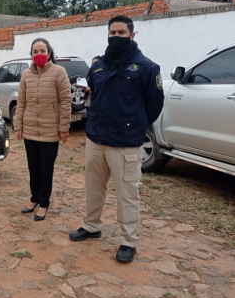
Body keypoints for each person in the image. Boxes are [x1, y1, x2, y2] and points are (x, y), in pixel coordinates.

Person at [69, 15, 164, 262]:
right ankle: (91, 226)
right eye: (113, 33)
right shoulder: (98, 66)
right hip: (96, 139)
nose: (116, 37)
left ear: (132, 36)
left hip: (125, 143)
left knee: (127, 194)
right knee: (93, 187)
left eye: (121, 33)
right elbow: (94, 96)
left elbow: (154, 106)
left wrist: (134, 127)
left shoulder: (147, 67)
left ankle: (128, 241)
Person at [14, 38, 72, 221]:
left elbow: (65, 102)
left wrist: (63, 128)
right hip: (30, 129)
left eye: (42, 51)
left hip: (49, 131)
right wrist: (18, 126)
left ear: (49, 53)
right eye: (35, 51)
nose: (39, 55)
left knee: (46, 168)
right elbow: (21, 102)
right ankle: (34, 199)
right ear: (31, 54)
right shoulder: (26, 75)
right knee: (33, 167)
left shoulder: (59, 72)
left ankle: (44, 203)